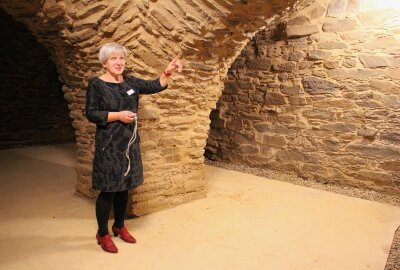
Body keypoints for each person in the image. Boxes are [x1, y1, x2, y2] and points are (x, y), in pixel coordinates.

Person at [85, 42, 183, 253]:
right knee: (109, 190)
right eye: (113, 58)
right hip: (109, 146)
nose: (119, 62)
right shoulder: (97, 85)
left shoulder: (130, 81)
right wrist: (117, 116)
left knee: (124, 187)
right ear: (104, 62)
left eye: (121, 58)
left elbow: (153, 86)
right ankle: (102, 234)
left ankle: (119, 226)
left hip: (129, 144)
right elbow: (91, 113)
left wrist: (167, 73)